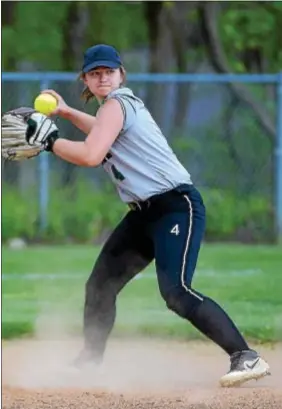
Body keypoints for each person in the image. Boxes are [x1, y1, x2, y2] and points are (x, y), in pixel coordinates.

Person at [35, 44, 270, 387]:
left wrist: (50, 141)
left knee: (176, 291)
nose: (103, 78)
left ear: (121, 75)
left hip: (175, 206)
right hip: (144, 213)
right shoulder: (112, 111)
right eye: (95, 73)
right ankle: (89, 361)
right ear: (85, 78)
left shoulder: (117, 104)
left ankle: (246, 356)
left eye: (109, 71)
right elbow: (102, 133)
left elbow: (91, 154)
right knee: (101, 284)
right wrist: (68, 113)